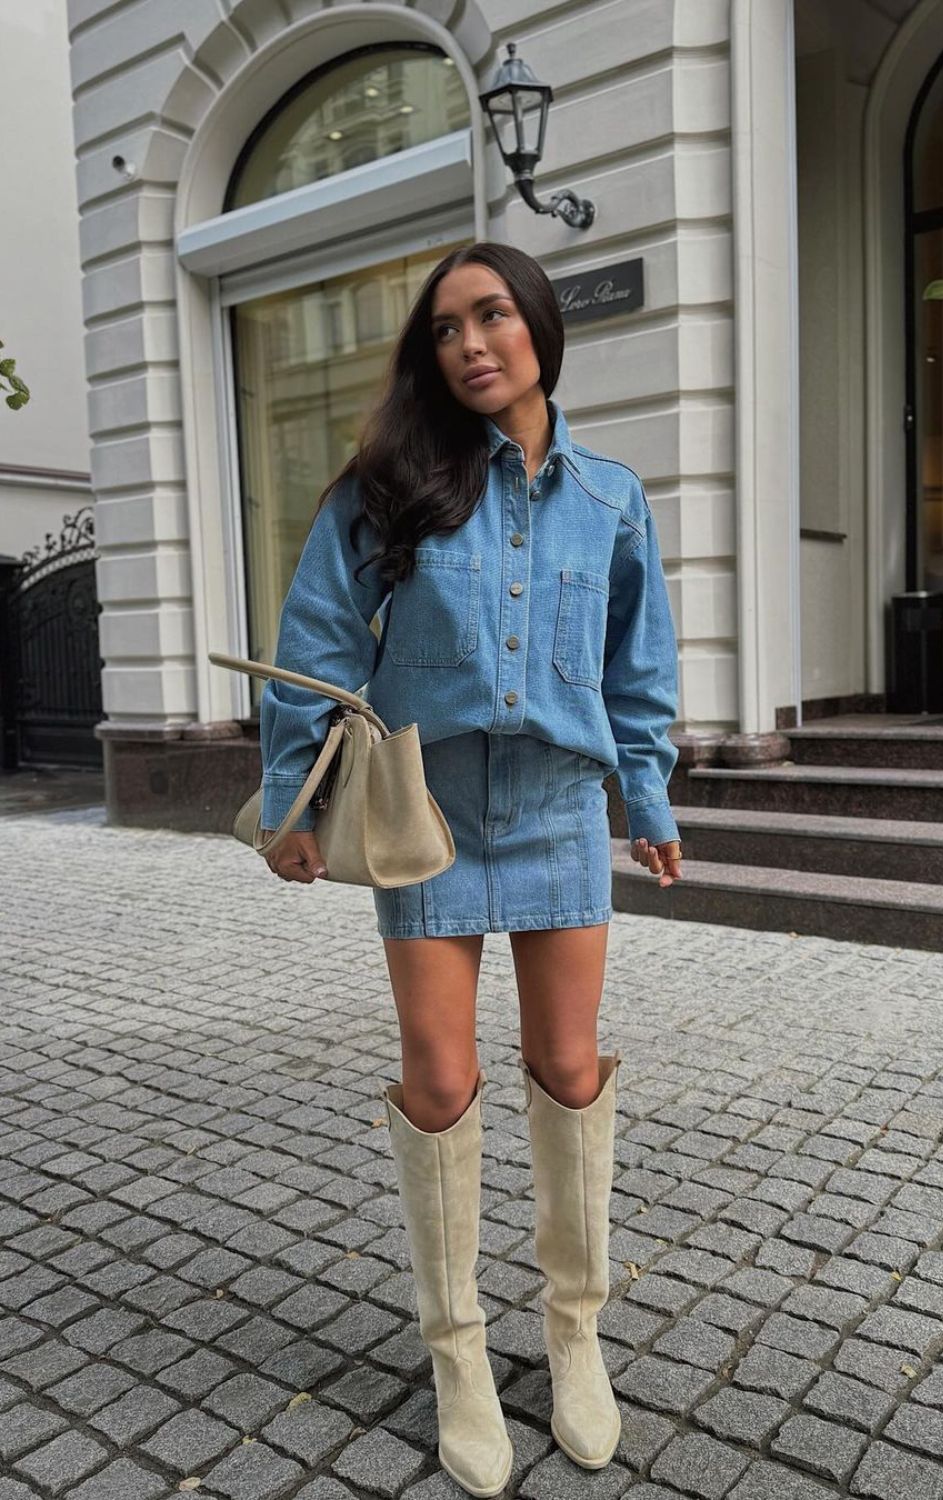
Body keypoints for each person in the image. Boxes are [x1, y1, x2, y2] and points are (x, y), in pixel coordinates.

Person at [257, 241, 682, 1496]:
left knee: (566, 1067)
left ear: (540, 325)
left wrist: (644, 792)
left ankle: (573, 1333)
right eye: (444, 329)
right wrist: (295, 798)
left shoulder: (611, 497)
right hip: (422, 815)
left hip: (554, 807)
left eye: (491, 315)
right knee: (439, 1080)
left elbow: (634, 665)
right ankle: (455, 1351)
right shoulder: (388, 486)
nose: (469, 344)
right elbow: (317, 640)